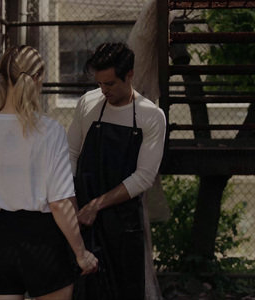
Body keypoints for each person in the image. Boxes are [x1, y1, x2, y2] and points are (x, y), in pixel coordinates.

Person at [0, 45, 98, 300]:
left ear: (2, 78)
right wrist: (81, 253)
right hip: (45, 241)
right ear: (37, 79)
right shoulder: (51, 130)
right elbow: (59, 204)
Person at [67, 42, 166, 300]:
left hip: (123, 225)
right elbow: (71, 155)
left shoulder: (151, 116)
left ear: (129, 75)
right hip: (83, 218)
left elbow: (144, 177)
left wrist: (96, 205)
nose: (103, 90)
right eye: (99, 83)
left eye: (110, 84)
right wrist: (73, 205)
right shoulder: (87, 104)